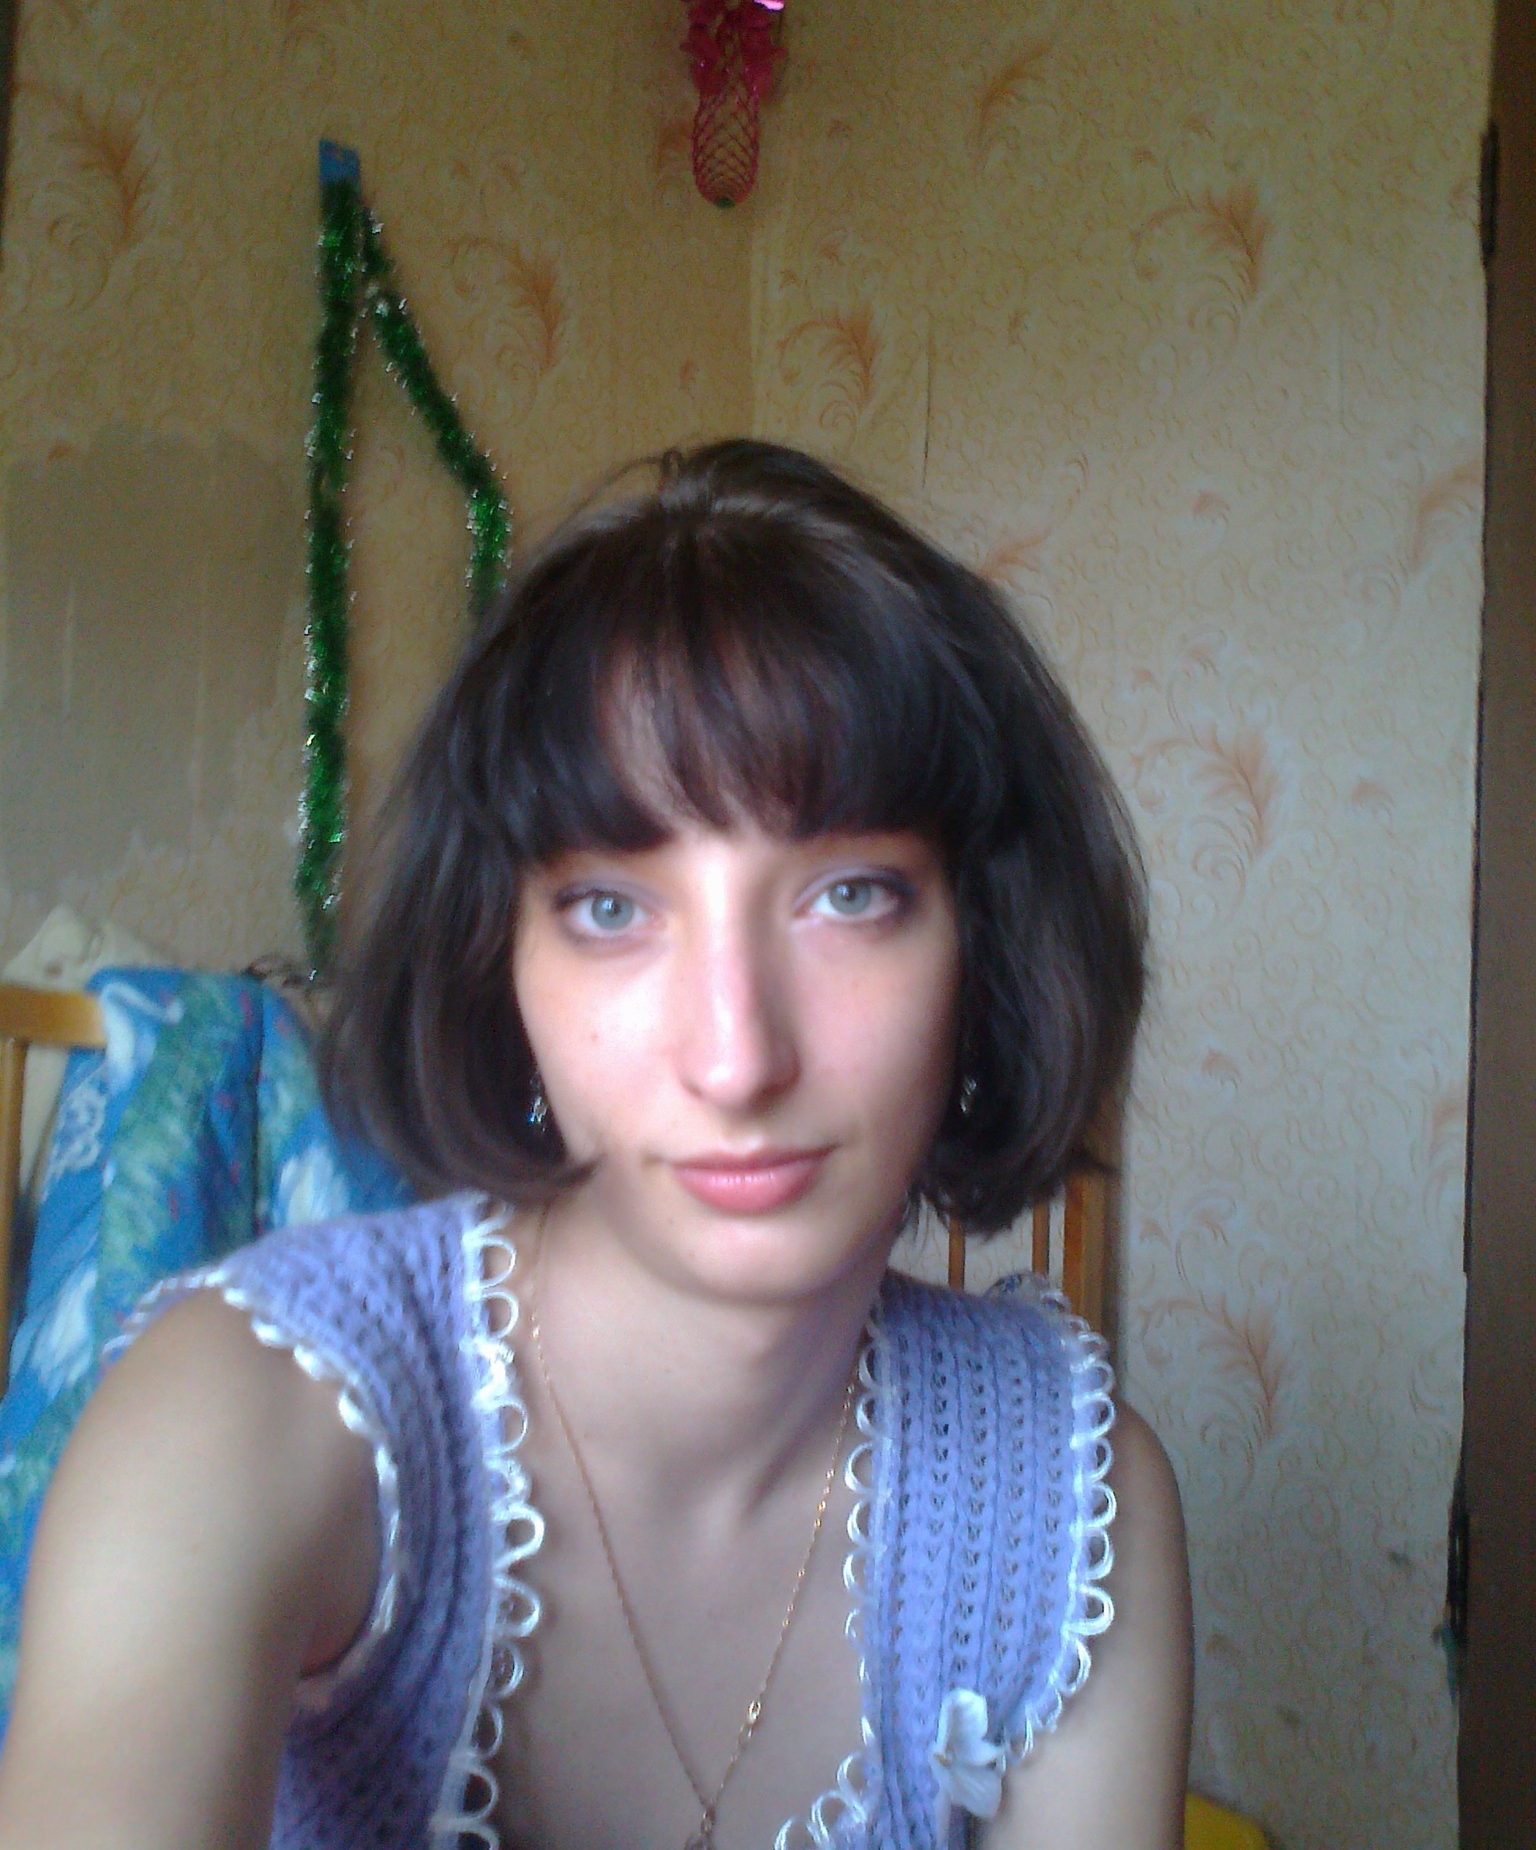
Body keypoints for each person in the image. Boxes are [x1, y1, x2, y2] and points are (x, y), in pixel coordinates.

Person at [0, 440, 1192, 1850]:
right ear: (496, 962)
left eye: (851, 895)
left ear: (983, 946)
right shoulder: (237, 1419)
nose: (737, 1058)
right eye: (613, 910)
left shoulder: (1073, 1505)